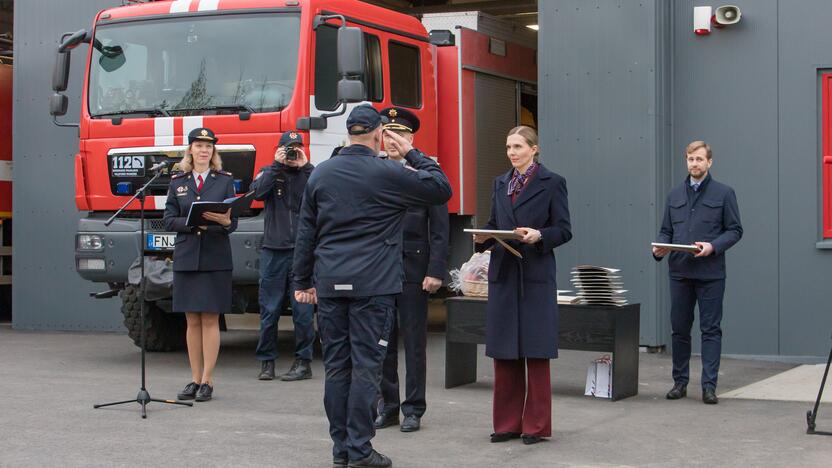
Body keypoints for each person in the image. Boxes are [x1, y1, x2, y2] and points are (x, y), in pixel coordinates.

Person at [292, 105, 452, 468]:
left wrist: (302, 281)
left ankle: (341, 450)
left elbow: (306, 232)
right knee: (366, 368)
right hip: (373, 286)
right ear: (380, 134)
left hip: (331, 284)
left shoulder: (321, 173)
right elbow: (441, 188)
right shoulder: (389, 172)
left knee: (337, 368)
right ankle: (360, 450)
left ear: (347, 133)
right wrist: (412, 151)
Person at [472, 125, 571, 445]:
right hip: (504, 274)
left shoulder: (552, 182)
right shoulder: (499, 183)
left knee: (536, 351)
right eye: (508, 147)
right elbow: (493, 225)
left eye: (517, 146)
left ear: (534, 149)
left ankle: (536, 426)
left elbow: (564, 229)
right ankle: (506, 424)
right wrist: (482, 238)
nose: (512, 152)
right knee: (505, 351)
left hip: (535, 274)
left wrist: (540, 235)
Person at [374, 107, 449, 433]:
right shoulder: (374, 171)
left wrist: (435, 270)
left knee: (415, 343)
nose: (393, 141)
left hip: (414, 270)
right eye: (387, 134)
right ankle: (387, 406)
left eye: (399, 135)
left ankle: (414, 408)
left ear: (411, 138)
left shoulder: (427, 173)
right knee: (382, 343)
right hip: (378, 271)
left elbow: (440, 229)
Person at [652, 140, 742, 405]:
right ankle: (680, 383)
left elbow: (735, 230)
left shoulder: (724, 194)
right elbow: (666, 230)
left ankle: (709, 386)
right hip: (679, 272)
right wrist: (659, 247)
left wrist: (713, 246)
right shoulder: (675, 195)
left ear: (709, 162)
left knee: (710, 329)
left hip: (711, 273)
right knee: (679, 329)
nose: (694, 164)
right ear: (686, 161)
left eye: (699, 159)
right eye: (691, 159)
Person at [164, 127, 238, 402]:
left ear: (213, 152)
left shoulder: (224, 181)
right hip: (186, 256)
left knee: (210, 318)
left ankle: (208, 380)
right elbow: (169, 218)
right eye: (199, 146)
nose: (204, 150)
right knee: (191, 319)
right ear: (190, 150)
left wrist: (225, 222)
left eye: (209, 147)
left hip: (215, 256)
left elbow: (233, 221)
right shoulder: (177, 182)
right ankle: (194, 379)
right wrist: (191, 222)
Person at [251, 130, 316, 382]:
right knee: (269, 309)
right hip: (273, 251)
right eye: (288, 148)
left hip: (302, 252)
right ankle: (267, 362)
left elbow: (323, 193)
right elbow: (257, 194)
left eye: (296, 148)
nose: (292, 153)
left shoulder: (310, 174)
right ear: (279, 150)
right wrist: (276, 166)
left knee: (303, 311)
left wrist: (305, 165)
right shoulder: (270, 172)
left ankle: (303, 362)